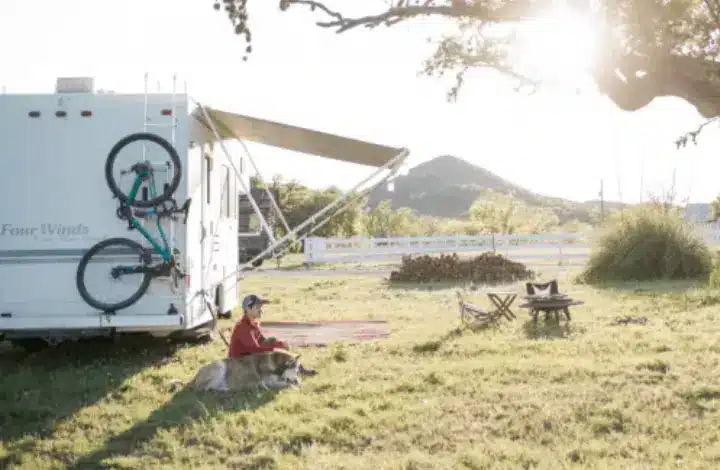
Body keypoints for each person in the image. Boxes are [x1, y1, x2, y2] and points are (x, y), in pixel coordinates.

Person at [228, 294, 317, 376]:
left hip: (249, 358)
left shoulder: (252, 323)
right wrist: (277, 347)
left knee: (272, 340)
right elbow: (256, 350)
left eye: (260, 307)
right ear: (248, 309)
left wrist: (279, 344)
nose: (261, 310)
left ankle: (296, 367)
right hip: (240, 364)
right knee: (273, 348)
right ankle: (290, 369)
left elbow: (262, 341)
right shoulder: (242, 327)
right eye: (258, 307)